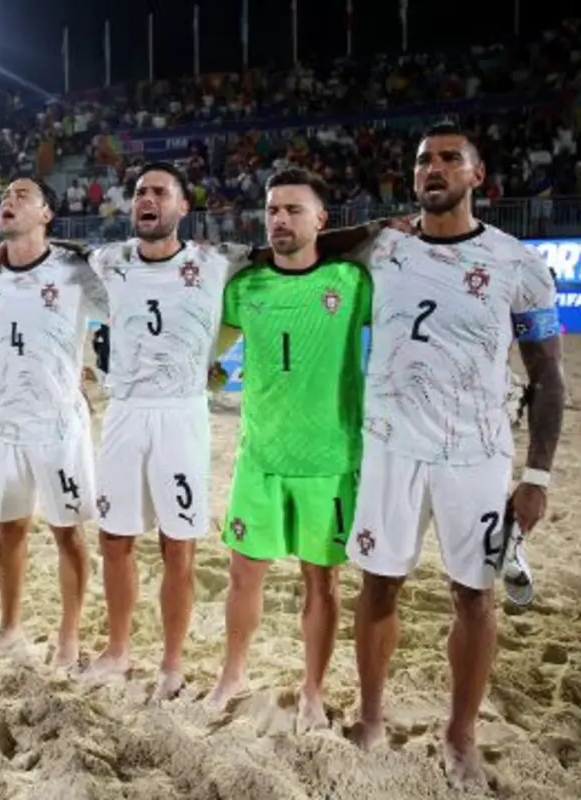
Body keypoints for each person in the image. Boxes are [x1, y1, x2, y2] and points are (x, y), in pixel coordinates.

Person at [342, 123, 565, 787]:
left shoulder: (517, 263)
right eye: (422, 161)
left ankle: (460, 733)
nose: (433, 169)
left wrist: (537, 476)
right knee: (378, 583)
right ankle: (371, 715)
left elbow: (548, 374)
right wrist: (374, 225)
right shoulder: (382, 247)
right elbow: (308, 244)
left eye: (448, 159)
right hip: (391, 447)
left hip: (476, 454)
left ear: (477, 176)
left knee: (474, 594)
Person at [201, 168, 372, 733]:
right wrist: (206, 371)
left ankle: (313, 691)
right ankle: (232, 675)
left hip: (330, 462)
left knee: (322, 582)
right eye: (273, 209)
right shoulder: (246, 288)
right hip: (260, 460)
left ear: (321, 219)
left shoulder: (352, 283)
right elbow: (209, 352)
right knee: (242, 573)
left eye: (294, 209)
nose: (279, 219)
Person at [0, 178, 108, 668]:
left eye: (22, 195)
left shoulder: (74, 271)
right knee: (8, 530)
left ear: (47, 213)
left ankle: (69, 636)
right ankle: (9, 626)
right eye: (4, 195)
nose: (8, 200)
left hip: (59, 425)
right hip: (6, 423)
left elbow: (123, 307)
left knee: (67, 531)